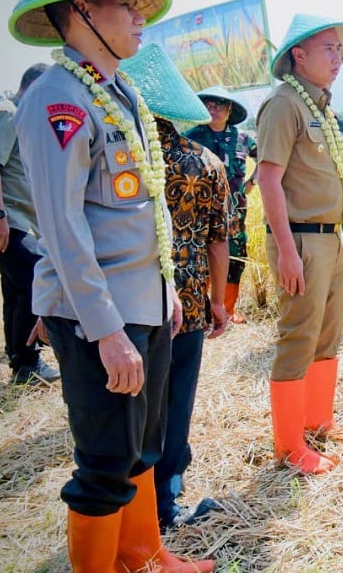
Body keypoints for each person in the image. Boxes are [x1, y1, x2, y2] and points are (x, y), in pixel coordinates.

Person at [8, 0, 214, 572]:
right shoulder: (57, 96)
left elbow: (141, 207)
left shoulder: (120, 93)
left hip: (143, 304)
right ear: (80, 12)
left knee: (143, 448)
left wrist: (166, 289)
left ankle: (146, 554)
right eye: (123, 5)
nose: (138, 17)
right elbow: (64, 227)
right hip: (99, 317)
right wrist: (107, 332)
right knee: (103, 463)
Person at [121, 44, 231, 531]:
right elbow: (219, 241)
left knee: (135, 408)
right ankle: (164, 507)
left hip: (129, 305)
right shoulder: (205, 162)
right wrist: (218, 302)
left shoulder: (122, 158)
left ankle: (130, 509)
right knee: (175, 403)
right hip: (186, 303)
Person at [255, 14, 343, 475]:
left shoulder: (319, 106)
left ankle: (318, 422)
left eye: (339, 49)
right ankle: (289, 445)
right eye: (327, 48)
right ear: (298, 56)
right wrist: (285, 250)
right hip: (300, 239)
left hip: (330, 236)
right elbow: (268, 179)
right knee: (298, 335)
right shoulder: (284, 105)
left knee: (326, 332)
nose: (336, 57)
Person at [0, 62, 61, 385]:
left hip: (18, 221)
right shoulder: (9, 113)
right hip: (8, 220)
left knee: (16, 289)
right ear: (34, 86)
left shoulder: (20, 116)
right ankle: (27, 360)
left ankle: (19, 361)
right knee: (38, 276)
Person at [185, 86, 257, 323]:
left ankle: (228, 309)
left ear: (229, 110)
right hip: (201, 212)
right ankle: (204, 309)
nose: (213, 109)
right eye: (208, 105)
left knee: (235, 258)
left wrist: (252, 182)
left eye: (219, 105)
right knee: (202, 259)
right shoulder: (191, 137)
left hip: (235, 212)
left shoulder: (244, 139)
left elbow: (268, 158)